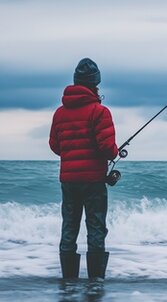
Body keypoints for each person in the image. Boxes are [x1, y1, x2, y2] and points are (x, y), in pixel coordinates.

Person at [49, 58, 119, 280]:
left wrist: (72, 156)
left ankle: (68, 280)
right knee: (96, 227)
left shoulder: (59, 113)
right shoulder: (99, 112)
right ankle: (95, 282)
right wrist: (115, 152)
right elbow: (108, 149)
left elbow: (55, 146)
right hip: (93, 181)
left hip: (68, 180)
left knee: (69, 227)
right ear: (95, 83)